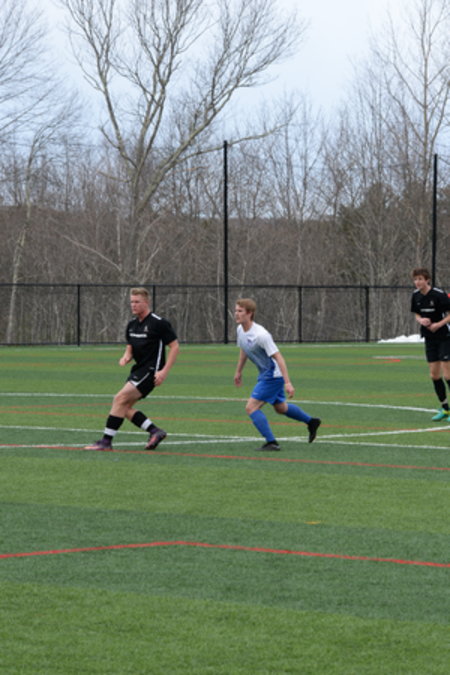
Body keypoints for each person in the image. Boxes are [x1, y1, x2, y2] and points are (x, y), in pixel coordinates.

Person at [85, 287, 179, 451]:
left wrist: (163, 372)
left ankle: (106, 442)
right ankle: (155, 431)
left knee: (119, 398)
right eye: (131, 302)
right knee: (124, 407)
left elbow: (175, 346)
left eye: (137, 302)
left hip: (151, 371)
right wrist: (126, 356)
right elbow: (130, 347)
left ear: (146, 302)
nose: (133, 305)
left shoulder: (158, 323)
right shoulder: (132, 325)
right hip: (137, 370)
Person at [233, 298, 321, 451]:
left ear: (250, 313)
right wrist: (239, 371)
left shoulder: (261, 335)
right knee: (280, 408)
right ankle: (311, 422)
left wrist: (287, 382)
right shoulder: (240, 330)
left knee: (251, 407)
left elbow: (279, 357)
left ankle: (271, 442)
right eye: (236, 310)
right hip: (266, 374)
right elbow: (244, 348)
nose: (236, 314)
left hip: (273, 376)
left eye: (240, 311)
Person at [411, 267, 450, 421]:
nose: (417, 282)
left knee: (448, 374)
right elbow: (417, 313)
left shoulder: (439, 295)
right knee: (434, 375)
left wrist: (438, 324)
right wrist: (421, 320)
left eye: (420, 279)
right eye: (415, 279)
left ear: (427, 280)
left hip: (445, 336)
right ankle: (445, 408)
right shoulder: (415, 296)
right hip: (429, 338)